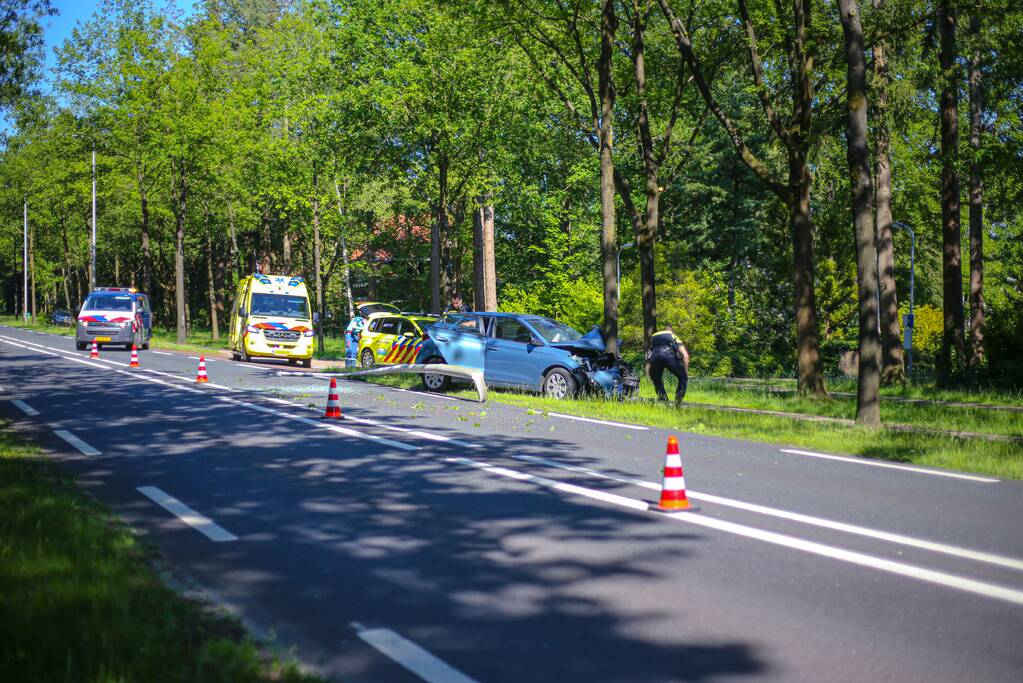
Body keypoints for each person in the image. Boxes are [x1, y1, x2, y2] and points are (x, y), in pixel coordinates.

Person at [647, 324, 689, 406]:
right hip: (669, 357)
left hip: (655, 359)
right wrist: (685, 371)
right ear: (671, 331)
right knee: (683, 377)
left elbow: (649, 355)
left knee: (657, 380)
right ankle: (678, 401)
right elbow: (685, 355)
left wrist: (650, 372)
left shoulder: (654, 337)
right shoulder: (673, 336)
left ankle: (664, 401)